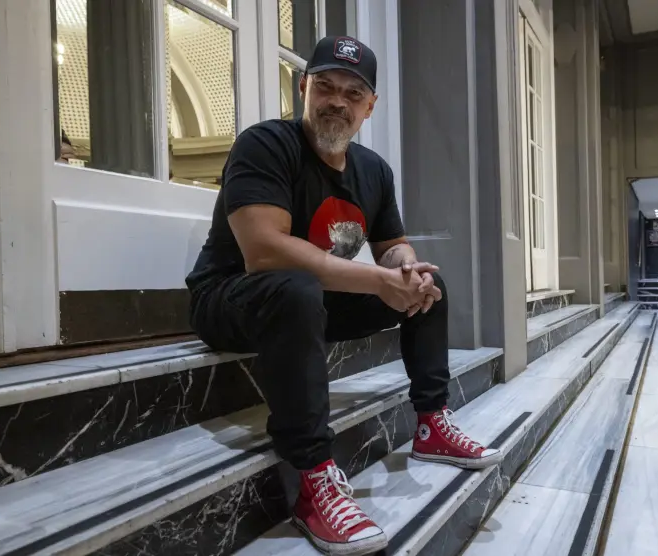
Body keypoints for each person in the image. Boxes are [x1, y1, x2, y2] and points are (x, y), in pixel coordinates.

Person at [186, 36, 501, 556]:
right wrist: (378, 280)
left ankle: (432, 424)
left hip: (305, 302)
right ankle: (312, 478)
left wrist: (405, 272)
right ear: (304, 86)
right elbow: (264, 252)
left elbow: (392, 245)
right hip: (230, 298)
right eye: (326, 86)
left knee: (431, 289)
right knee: (294, 287)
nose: (338, 100)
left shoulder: (374, 171)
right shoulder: (266, 145)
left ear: (369, 106)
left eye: (353, 93)